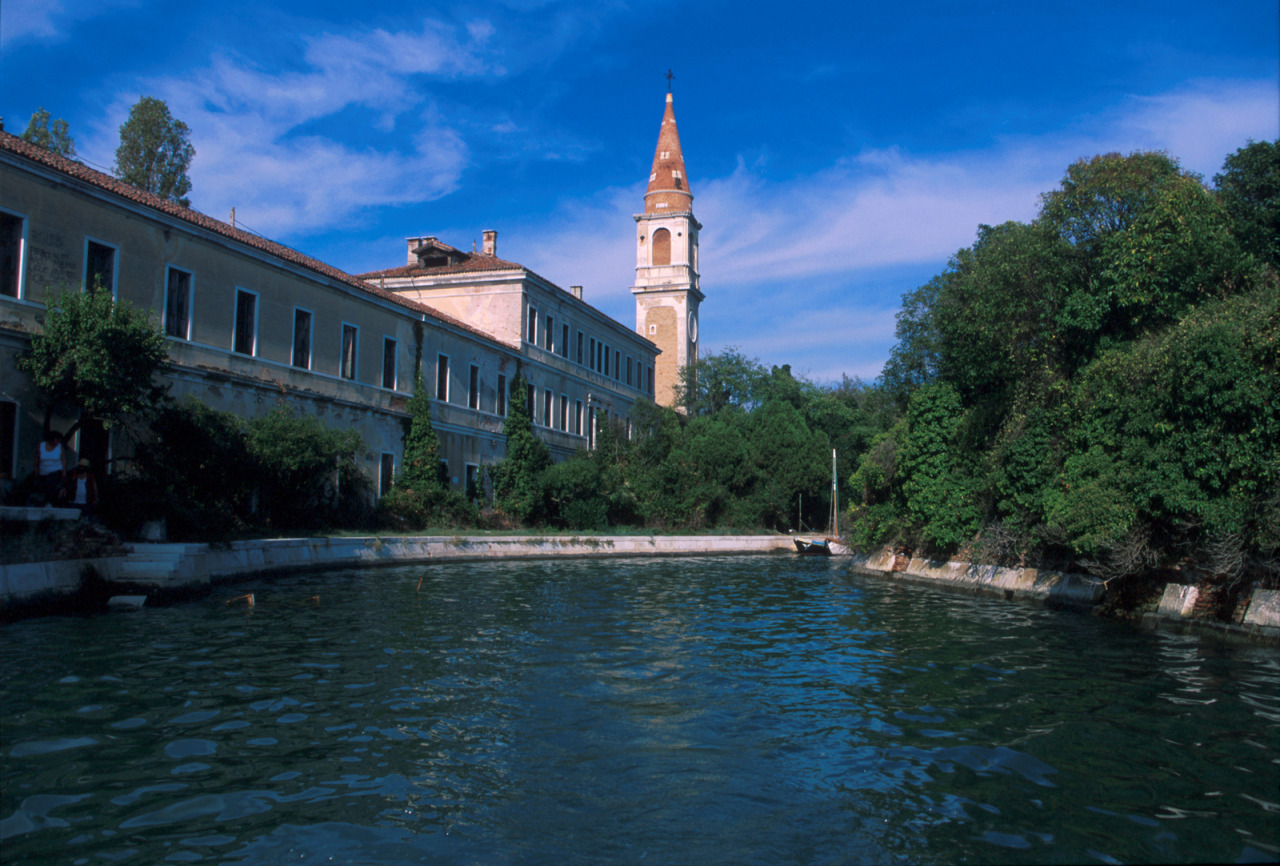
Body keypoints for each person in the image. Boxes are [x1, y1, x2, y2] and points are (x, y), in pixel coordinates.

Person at [34, 430, 67, 506]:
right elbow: (36, 457)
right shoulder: (41, 446)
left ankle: (49, 502)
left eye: (58, 440)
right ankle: (41, 501)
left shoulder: (60, 447)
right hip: (43, 471)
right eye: (56, 440)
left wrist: (63, 471)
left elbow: (63, 459)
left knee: (51, 483)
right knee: (42, 486)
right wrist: (36, 467)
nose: (57, 442)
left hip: (56, 470)